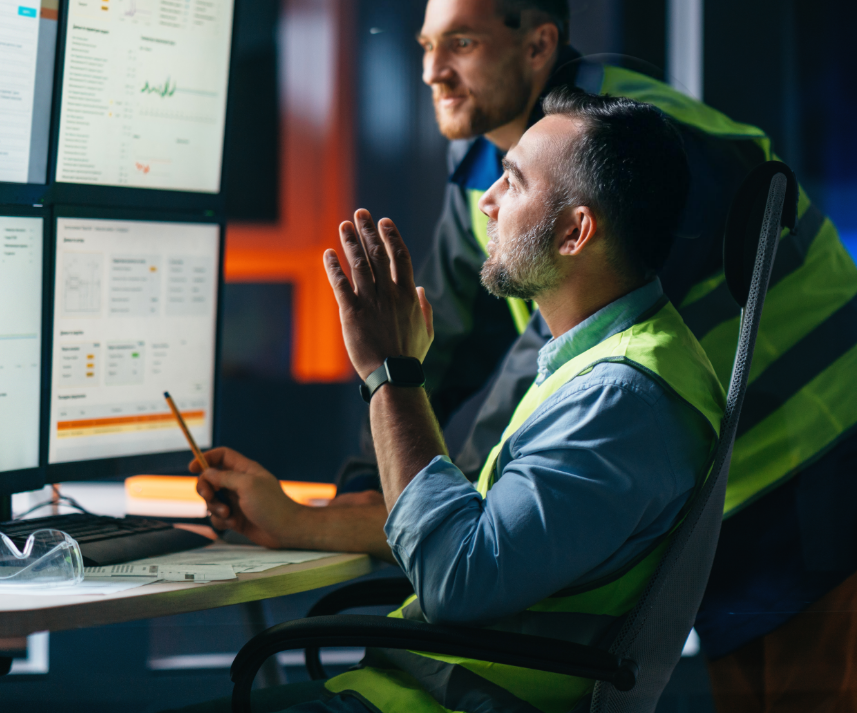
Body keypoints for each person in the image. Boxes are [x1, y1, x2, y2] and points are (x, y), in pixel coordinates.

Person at [337, 0, 857, 712]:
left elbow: (579, 334)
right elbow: (451, 333)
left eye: (461, 42)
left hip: (821, 433)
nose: (432, 71)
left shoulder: (627, 144)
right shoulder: (491, 175)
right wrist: (364, 485)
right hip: (708, 466)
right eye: (426, 46)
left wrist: (449, 486)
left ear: (539, 46)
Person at [189, 90, 726, 713]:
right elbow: (484, 530)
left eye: (513, 183)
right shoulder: (605, 365)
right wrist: (294, 521)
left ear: (576, 232)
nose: (488, 203)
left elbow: (458, 579)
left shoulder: (621, 399)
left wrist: (392, 375)